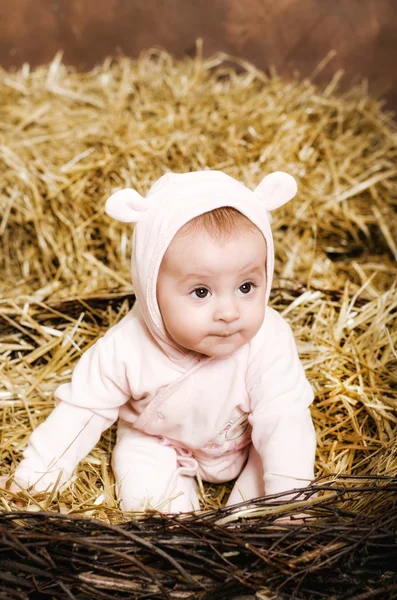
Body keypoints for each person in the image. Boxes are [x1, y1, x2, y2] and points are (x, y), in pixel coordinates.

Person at [9, 170, 316, 512]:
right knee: (142, 488)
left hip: (246, 444)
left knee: (278, 469)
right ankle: (176, 533)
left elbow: (283, 417)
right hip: (160, 441)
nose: (229, 312)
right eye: (201, 291)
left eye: (246, 287)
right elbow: (83, 408)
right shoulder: (127, 346)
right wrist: (36, 478)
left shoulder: (268, 339)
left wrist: (291, 499)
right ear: (151, 289)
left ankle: (255, 527)